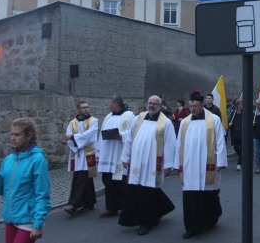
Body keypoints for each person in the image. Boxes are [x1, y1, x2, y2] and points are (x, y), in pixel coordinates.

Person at [119, 95, 176, 236]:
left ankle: (146, 222)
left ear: (160, 105)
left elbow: (170, 144)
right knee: (135, 190)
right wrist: (125, 157)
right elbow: (129, 139)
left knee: (149, 192)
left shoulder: (166, 122)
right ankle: (155, 212)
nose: (152, 105)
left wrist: (168, 165)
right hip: (137, 160)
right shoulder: (138, 118)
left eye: (155, 103)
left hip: (153, 163)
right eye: (150, 103)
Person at [0, 118, 51, 243]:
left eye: (17, 135)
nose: (12, 138)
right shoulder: (9, 159)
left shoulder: (37, 160)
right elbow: (2, 190)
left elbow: (43, 194)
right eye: (11, 134)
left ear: (28, 136)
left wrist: (37, 223)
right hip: (10, 218)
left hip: (28, 220)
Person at [175, 91, 228, 239]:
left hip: (207, 164)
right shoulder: (185, 122)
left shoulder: (214, 120)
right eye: (191, 106)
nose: (192, 109)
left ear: (202, 104)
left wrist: (221, 161)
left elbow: (220, 142)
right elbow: (179, 143)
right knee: (189, 196)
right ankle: (191, 226)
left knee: (207, 194)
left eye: (195, 106)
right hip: (190, 165)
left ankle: (209, 220)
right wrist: (176, 164)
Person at [97, 95, 134, 218]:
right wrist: (98, 152)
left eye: (111, 102)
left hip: (119, 153)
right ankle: (111, 208)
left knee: (119, 182)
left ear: (117, 104)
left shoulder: (129, 116)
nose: (109, 105)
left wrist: (121, 135)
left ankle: (126, 206)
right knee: (107, 180)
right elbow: (101, 134)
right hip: (107, 154)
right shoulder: (108, 116)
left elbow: (133, 132)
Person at [64, 100, 98, 215]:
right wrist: (75, 146)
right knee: (84, 178)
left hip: (88, 153)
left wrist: (74, 138)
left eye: (87, 107)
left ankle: (73, 204)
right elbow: (67, 138)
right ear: (78, 109)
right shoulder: (72, 123)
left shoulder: (94, 121)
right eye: (83, 107)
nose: (86, 109)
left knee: (81, 178)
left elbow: (89, 135)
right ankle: (90, 201)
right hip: (77, 153)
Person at [228, 98, 244, 170]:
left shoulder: (245, 113)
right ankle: (242, 158)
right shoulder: (233, 113)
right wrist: (230, 124)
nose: (242, 105)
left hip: (242, 133)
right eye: (241, 104)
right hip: (235, 134)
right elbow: (229, 121)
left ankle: (239, 163)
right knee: (236, 148)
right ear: (237, 105)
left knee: (242, 148)